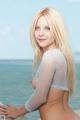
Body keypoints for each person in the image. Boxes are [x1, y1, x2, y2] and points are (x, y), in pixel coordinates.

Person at [0, 7, 80, 120]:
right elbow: (54, 94)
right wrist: (37, 83)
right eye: (37, 28)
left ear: (57, 30)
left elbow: (40, 97)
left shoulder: (50, 57)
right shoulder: (61, 56)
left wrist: (18, 112)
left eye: (47, 28)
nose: (40, 33)